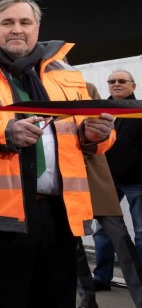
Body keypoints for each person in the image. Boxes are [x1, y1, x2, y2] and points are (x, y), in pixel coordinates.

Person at [0, 0, 116, 308]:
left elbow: (83, 137)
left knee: (57, 300)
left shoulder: (66, 73)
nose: (17, 29)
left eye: (25, 22)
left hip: (60, 213)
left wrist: (94, 136)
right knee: (3, 300)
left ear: (37, 28)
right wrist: (5, 134)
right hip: (0, 217)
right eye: (7, 22)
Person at [75, 81, 142, 308]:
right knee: (75, 244)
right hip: (67, 182)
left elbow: (102, 134)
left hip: (96, 177)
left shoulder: (84, 87)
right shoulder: (33, 87)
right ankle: (88, 298)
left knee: (121, 239)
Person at [93, 71, 142, 299]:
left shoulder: (139, 110)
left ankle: (140, 281)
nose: (116, 84)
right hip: (107, 181)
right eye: (112, 81)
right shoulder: (100, 111)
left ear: (133, 85)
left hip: (137, 180)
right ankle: (102, 278)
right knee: (102, 232)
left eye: (122, 81)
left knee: (141, 232)